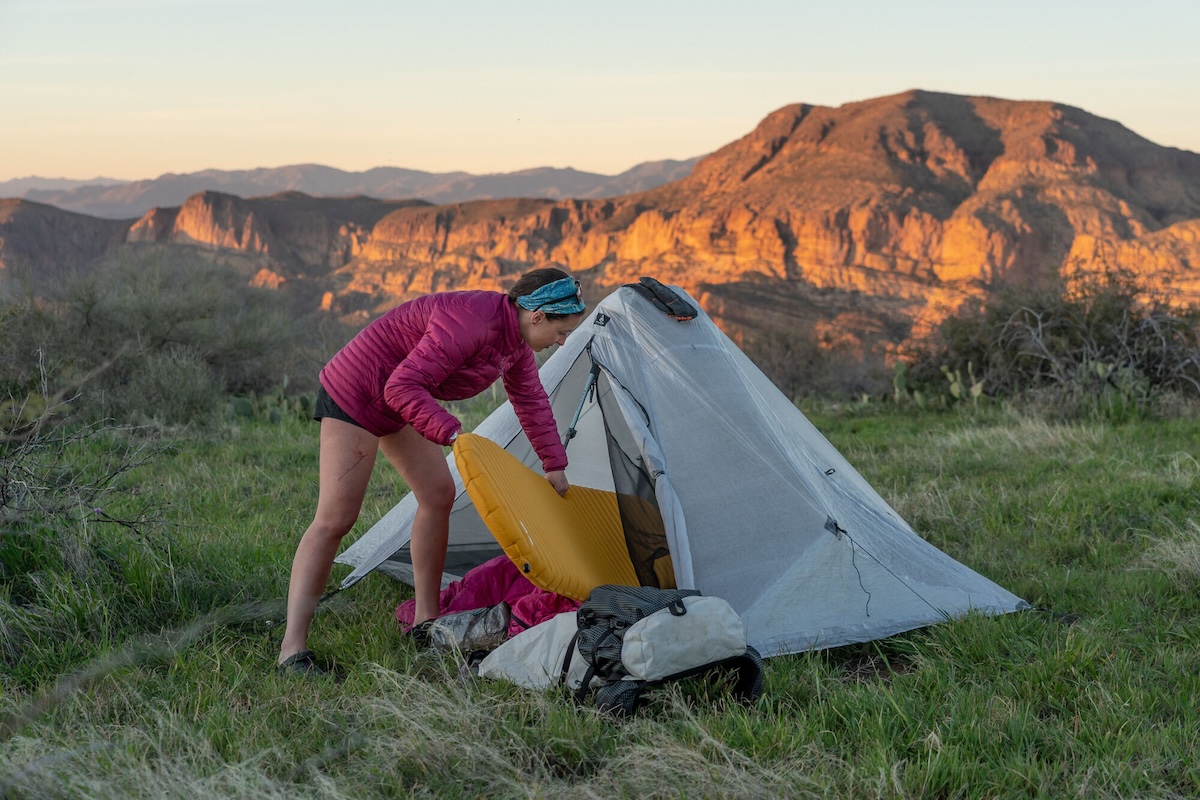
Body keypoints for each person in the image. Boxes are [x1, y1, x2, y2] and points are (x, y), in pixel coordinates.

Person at [277, 267, 587, 674]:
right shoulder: (473, 321)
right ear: (538, 316)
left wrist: (555, 467)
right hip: (358, 391)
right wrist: (454, 434)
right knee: (336, 518)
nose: (562, 342)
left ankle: (426, 623)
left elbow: (531, 402)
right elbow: (400, 387)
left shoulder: (515, 344)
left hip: (399, 396)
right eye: (561, 332)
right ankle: (291, 650)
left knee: (438, 494)